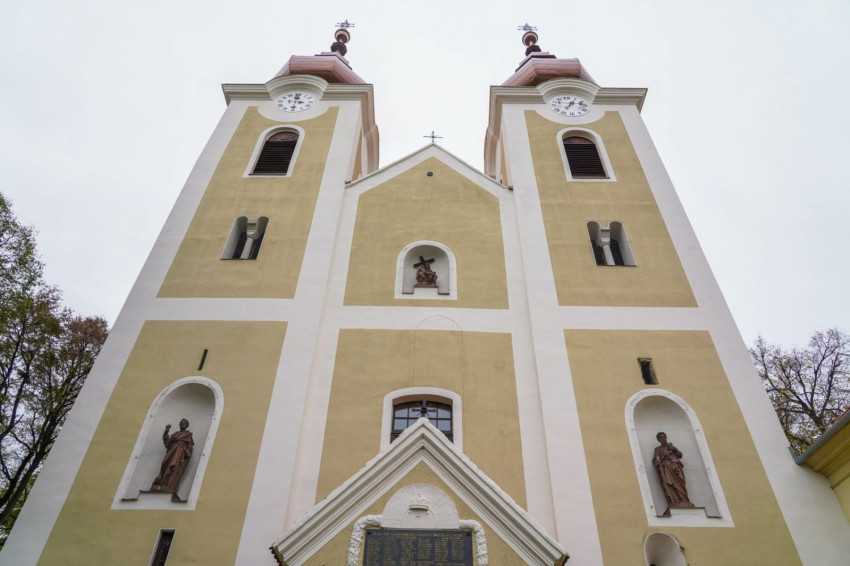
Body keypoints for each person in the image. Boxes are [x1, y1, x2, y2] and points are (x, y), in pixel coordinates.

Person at [151, 418, 194, 497]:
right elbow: (167, 443)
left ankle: (169, 485)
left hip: (179, 453)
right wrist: (166, 431)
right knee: (165, 465)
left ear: (187, 425)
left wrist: (185, 452)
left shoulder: (188, 435)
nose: (182, 424)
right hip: (170, 451)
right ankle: (161, 483)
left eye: (184, 423)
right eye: (181, 423)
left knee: (173, 468)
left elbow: (190, 447)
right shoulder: (175, 434)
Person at [652, 432, 693, 509]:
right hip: (666, 468)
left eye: (664, 437)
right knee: (670, 483)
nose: (663, 438)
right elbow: (656, 460)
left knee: (681, 480)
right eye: (660, 437)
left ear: (666, 437)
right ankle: (675, 500)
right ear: (658, 440)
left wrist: (674, 449)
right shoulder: (657, 449)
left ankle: (684, 500)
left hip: (676, 466)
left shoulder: (671, 447)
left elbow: (680, 455)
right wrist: (659, 464)